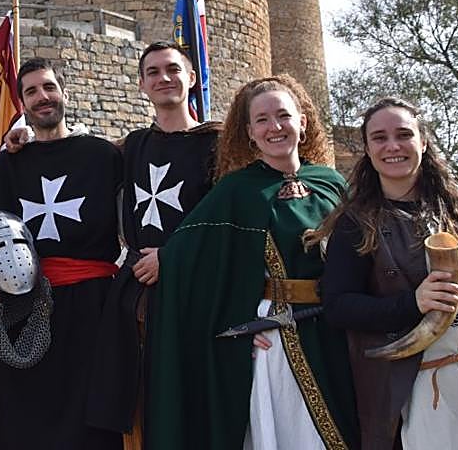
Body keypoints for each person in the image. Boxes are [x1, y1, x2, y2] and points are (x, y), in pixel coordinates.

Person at [146, 74, 358, 449]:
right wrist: (235, 327)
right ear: (249, 131)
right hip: (274, 336)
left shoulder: (331, 183)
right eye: (261, 119)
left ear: (302, 122)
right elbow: (195, 265)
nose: (274, 127)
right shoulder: (236, 191)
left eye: (283, 115)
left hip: (337, 333)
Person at [314, 97, 458, 449]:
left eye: (403, 134)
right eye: (380, 138)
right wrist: (413, 303)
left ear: (423, 141)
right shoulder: (355, 222)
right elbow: (338, 306)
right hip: (415, 388)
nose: (393, 146)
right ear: (368, 149)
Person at [0, 58, 122, 449]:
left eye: (49, 87)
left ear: (64, 93)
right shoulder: (5, 166)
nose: (42, 97)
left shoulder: (104, 155)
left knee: (92, 422)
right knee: (22, 420)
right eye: (31, 91)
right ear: (22, 105)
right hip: (23, 305)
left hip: (94, 310)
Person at [86, 41, 222, 444]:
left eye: (173, 70)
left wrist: (174, 257)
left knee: (186, 401)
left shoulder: (218, 143)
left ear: (192, 78)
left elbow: (226, 222)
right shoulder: (133, 146)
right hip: (134, 292)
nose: (164, 79)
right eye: (153, 73)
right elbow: (75, 158)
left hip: (193, 293)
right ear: (142, 85)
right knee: (135, 402)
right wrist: (22, 137)